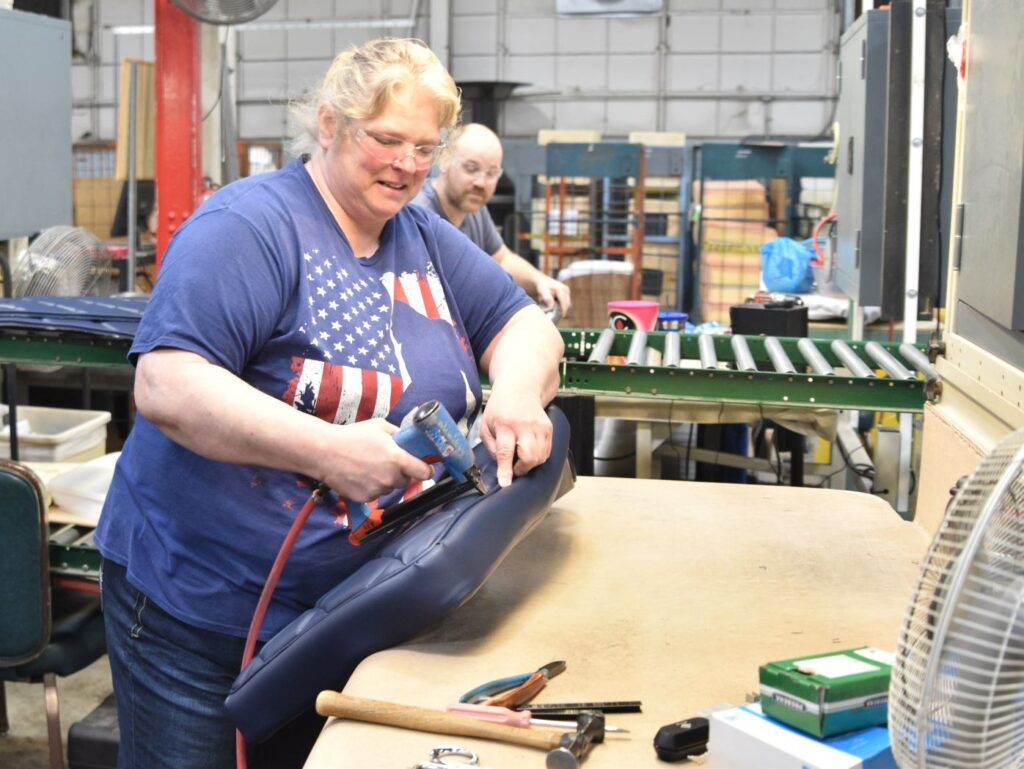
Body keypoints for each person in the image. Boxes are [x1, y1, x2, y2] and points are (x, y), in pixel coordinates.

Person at [94, 38, 564, 769]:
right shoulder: (251, 228)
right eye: (385, 140)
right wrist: (330, 451)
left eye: (423, 147)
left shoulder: (422, 236)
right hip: (201, 612)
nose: (407, 165)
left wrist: (513, 393)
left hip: (343, 619)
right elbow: (167, 383)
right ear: (328, 124)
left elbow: (522, 322)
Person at [412, 122, 572, 317]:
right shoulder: (419, 216)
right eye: (471, 168)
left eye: (491, 173)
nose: (481, 182)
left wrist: (539, 280)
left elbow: (502, 258)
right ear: (445, 161)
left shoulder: (474, 208)